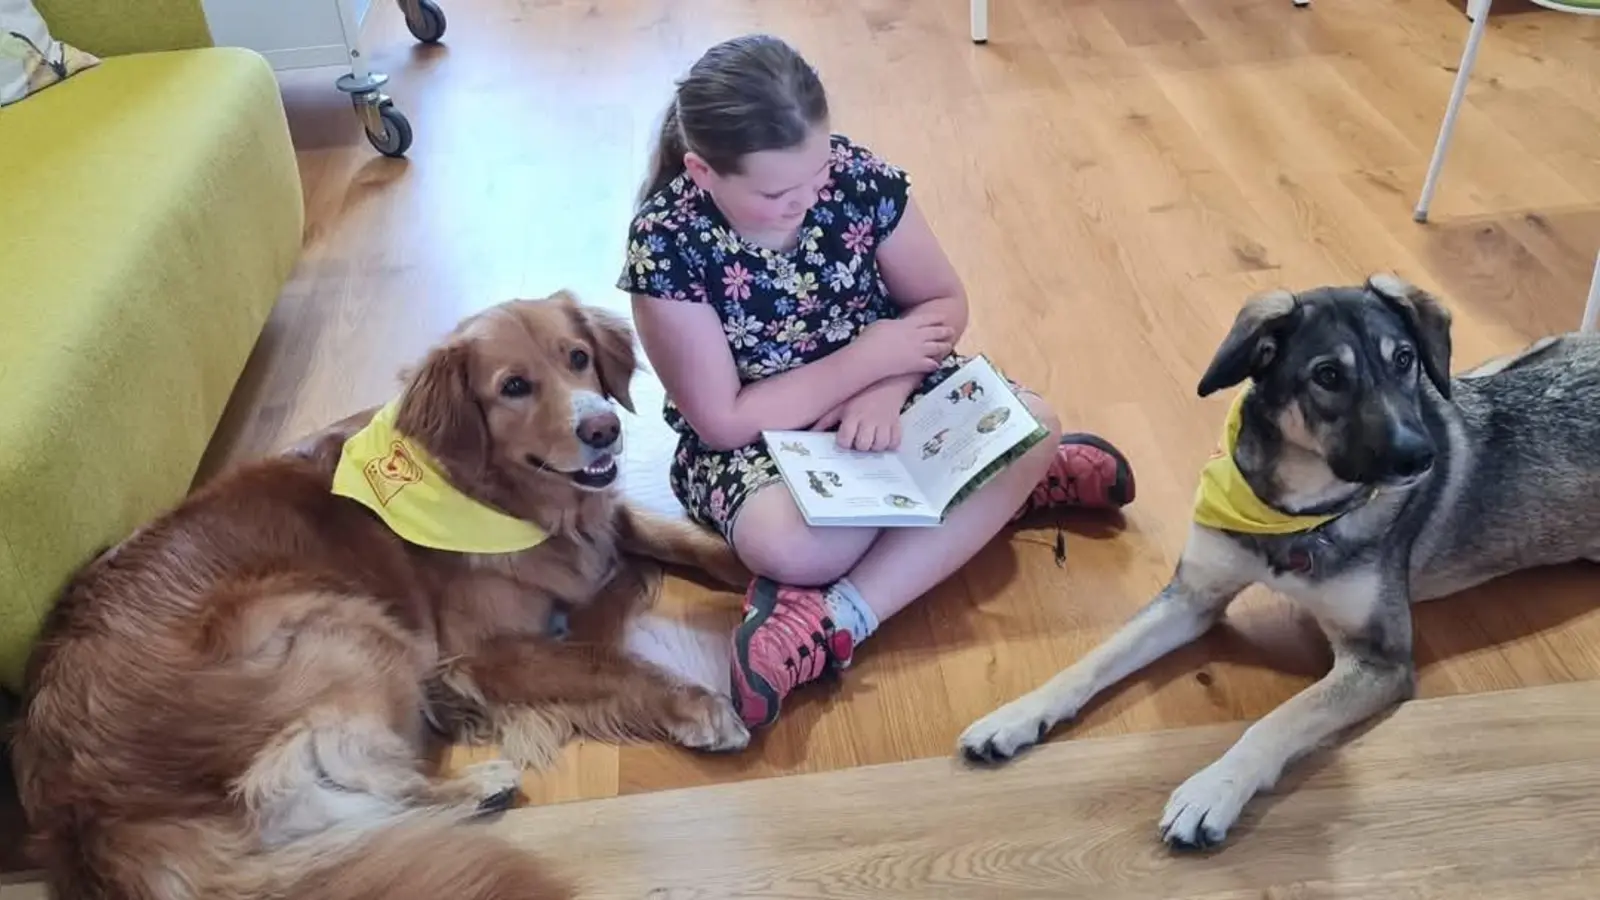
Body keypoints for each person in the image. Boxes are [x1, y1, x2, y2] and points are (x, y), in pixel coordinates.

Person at [617, 34, 1136, 729]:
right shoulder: (667, 243)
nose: (806, 199)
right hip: (758, 440)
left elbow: (941, 304)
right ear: (703, 173)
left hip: (894, 385)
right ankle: (987, 500)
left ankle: (839, 618)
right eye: (775, 192)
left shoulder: (856, 179)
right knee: (794, 545)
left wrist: (886, 386)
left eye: (817, 170)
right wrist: (866, 359)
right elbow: (724, 420)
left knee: (1032, 422)